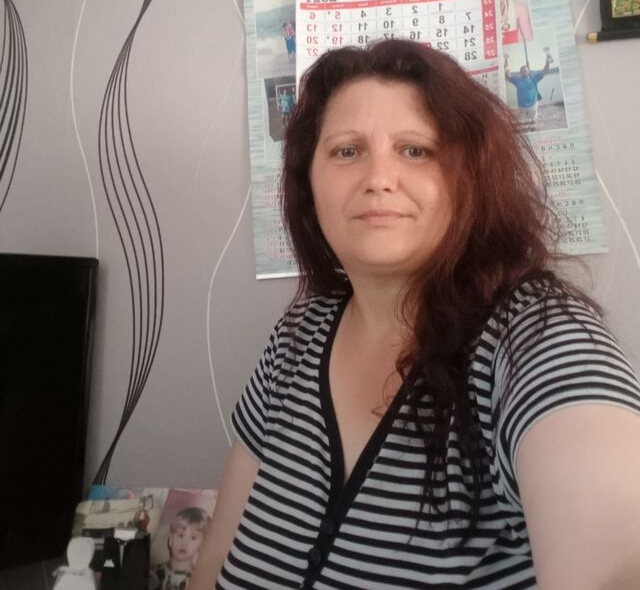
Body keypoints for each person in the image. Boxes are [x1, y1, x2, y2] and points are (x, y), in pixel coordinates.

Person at [191, 40, 640, 590]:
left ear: (470, 178)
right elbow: (213, 561)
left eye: (415, 150)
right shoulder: (295, 339)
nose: (379, 177)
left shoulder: (536, 337)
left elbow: (615, 549)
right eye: (346, 151)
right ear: (308, 186)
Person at [150, 507, 209, 590]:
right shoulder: (154, 573)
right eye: (180, 535)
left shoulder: (198, 579)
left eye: (193, 537)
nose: (184, 543)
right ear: (171, 539)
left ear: (201, 544)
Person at [505, 51, 552, 125]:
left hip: (533, 105)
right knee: (522, 122)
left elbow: (545, 71)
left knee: (533, 121)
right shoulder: (517, 80)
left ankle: (533, 128)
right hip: (521, 106)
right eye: (523, 71)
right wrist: (506, 61)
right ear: (520, 72)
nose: (524, 72)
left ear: (528, 72)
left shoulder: (534, 79)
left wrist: (548, 61)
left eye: (526, 70)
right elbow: (508, 75)